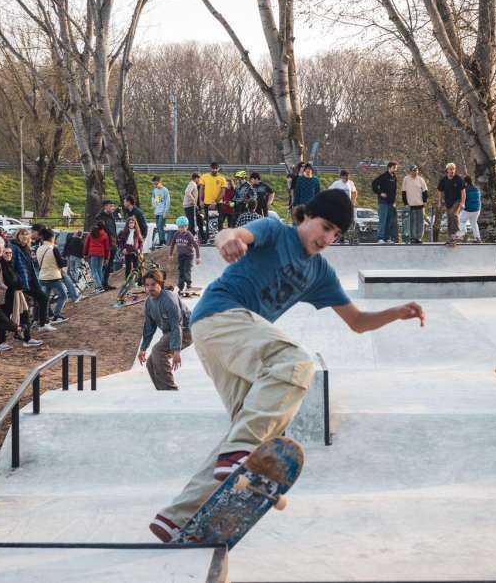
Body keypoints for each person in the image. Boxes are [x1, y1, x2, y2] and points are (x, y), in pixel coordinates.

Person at [148, 189, 425, 543]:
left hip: (225, 343)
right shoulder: (276, 231)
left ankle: (177, 516)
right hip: (221, 316)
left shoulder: (321, 272)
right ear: (306, 216)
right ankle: (241, 454)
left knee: (253, 427)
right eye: (324, 228)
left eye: (336, 235)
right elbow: (232, 234)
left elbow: (356, 322)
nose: (327, 239)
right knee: (296, 365)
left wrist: (395, 313)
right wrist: (229, 239)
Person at [137, 270, 192, 391]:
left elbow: (176, 325)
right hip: (171, 332)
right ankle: (162, 392)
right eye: (147, 285)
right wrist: (143, 348)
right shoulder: (149, 303)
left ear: (160, 284)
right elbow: (149, 328)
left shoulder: (169, 299)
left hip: (186, 330)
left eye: (153, 284)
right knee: (151, 362)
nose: (150, 288)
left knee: (158, 350)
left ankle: (170, 390)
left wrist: (176, 350)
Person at [11, 229, 55, 332]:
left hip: (31, 279)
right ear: (17, 236)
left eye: (26, 234)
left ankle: (42, 323)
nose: (24, 237)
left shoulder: (27, 248)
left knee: (42, 298)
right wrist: (17, 281)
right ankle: (25, 329)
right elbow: (12, 266)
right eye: (22, 234)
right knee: (22, 308)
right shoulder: (14, 248)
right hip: (21, 281)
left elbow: (29, 266)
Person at [36, 227, 71, 323]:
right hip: (53, 277)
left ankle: (44, 318)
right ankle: (57, 315)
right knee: (63, 296)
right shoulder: (53, 249)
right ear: (52, 237)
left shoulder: (39, 249)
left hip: (42, 277)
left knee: (45, 299)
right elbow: (61, 264)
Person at [170, 216, 202, 293]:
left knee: (186, 270)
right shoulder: (176, 234)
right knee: (180, 270)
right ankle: (180, 286)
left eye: (183, 227)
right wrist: (170, 254)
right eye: (180, 227)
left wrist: (198, 257)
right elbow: (172, 244)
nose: (181, 229)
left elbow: (196, 246)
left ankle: (188, 284)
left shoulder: (189, 235)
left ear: (187, 227)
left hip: (189, 256)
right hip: (180, 256)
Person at [436, 163, 466, 244]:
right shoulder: (444, 180)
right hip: (448, 202)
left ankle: (458, 234)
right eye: (450, 169)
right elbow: (439, 190)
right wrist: (439, 202)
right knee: (449, 219)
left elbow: (463, 191)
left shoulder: (458, 179)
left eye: (453, 169)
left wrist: (463, 202)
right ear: (447, 170)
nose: (452, 171)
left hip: (457, 201)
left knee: (454, 214)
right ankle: (451, 237)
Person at [371, 162, 399, 243]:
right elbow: (374, 184)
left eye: (396, 168)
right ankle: (380, 238)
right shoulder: (384, 176)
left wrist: (394, 201)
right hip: (383, 202)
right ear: (389, 167)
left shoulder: (394, 177)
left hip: (391, 203)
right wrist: (380, 193)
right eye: (394, 167)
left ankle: (386, 238)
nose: (395, 169)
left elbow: (394, 191)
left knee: (389, 221)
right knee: (383, 220)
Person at [401, 165, 429, 244]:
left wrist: (425, 201)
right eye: (413, 171)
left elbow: (425, 191)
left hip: (420, 204)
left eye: (416, 171)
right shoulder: (406, 179)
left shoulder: (420, 179)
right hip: (410, 204)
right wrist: (405, 203)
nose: (415, 172)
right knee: (412, 222)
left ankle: (419, 237)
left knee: (420, 222)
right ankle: (413, 237)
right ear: (410, 172)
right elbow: (403, 192)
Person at [200, 163, 227, 240]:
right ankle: (208, 238)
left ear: (218, 169)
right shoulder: (204, 176)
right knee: (208, 220)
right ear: (210, 168)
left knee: (220, 220)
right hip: (207, 203)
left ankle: (220, 239)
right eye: (213, 168)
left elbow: (223, 192)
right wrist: (201, 200)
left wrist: (215, 201)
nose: (214, 170)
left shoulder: (222, 178)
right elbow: (201, 189)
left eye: (216, 168)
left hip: (218, 203)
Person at [85, 222, 112, 295]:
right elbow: (107, 248)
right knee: (99, 270)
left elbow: (86, 244)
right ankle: (101, 285)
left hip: (93, 254)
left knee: (94, 270)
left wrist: (85, 253)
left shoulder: (91, 234)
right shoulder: (105, 235)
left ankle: (99, 286)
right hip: (102, 254)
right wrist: (107, 257)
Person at [459, 176, 482, 242]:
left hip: (469, 209)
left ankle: (464, 236)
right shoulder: (476, 189)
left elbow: (463, 199)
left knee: (461, 221)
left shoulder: (465, 189)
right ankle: (478, 238)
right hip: (477, 209)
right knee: (474, 223)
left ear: (465, 182)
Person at [151, 177, 171, 248]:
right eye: (154, 184)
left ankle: (163, 242)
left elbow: (167, 202)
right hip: (157, 212)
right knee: (158, 227)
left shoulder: (165, 190)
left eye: (156, 184)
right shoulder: (155, 190)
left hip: (162, 212)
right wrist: (154, 206)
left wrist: (165, 212)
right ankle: (160, 241)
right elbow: (156, 201)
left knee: (160, 226)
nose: (155, 186)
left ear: (160, 182)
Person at [184, 172, 201, 237]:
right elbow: (187, 192)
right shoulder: (192, 184)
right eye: (199, 178)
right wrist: (193, 200)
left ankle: (191, 236)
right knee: (191, 223)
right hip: (189, 206)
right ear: (196, 178)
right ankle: (189, 237)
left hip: (190, 206)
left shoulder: (192, 184)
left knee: (193, 222)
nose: (200, 180)